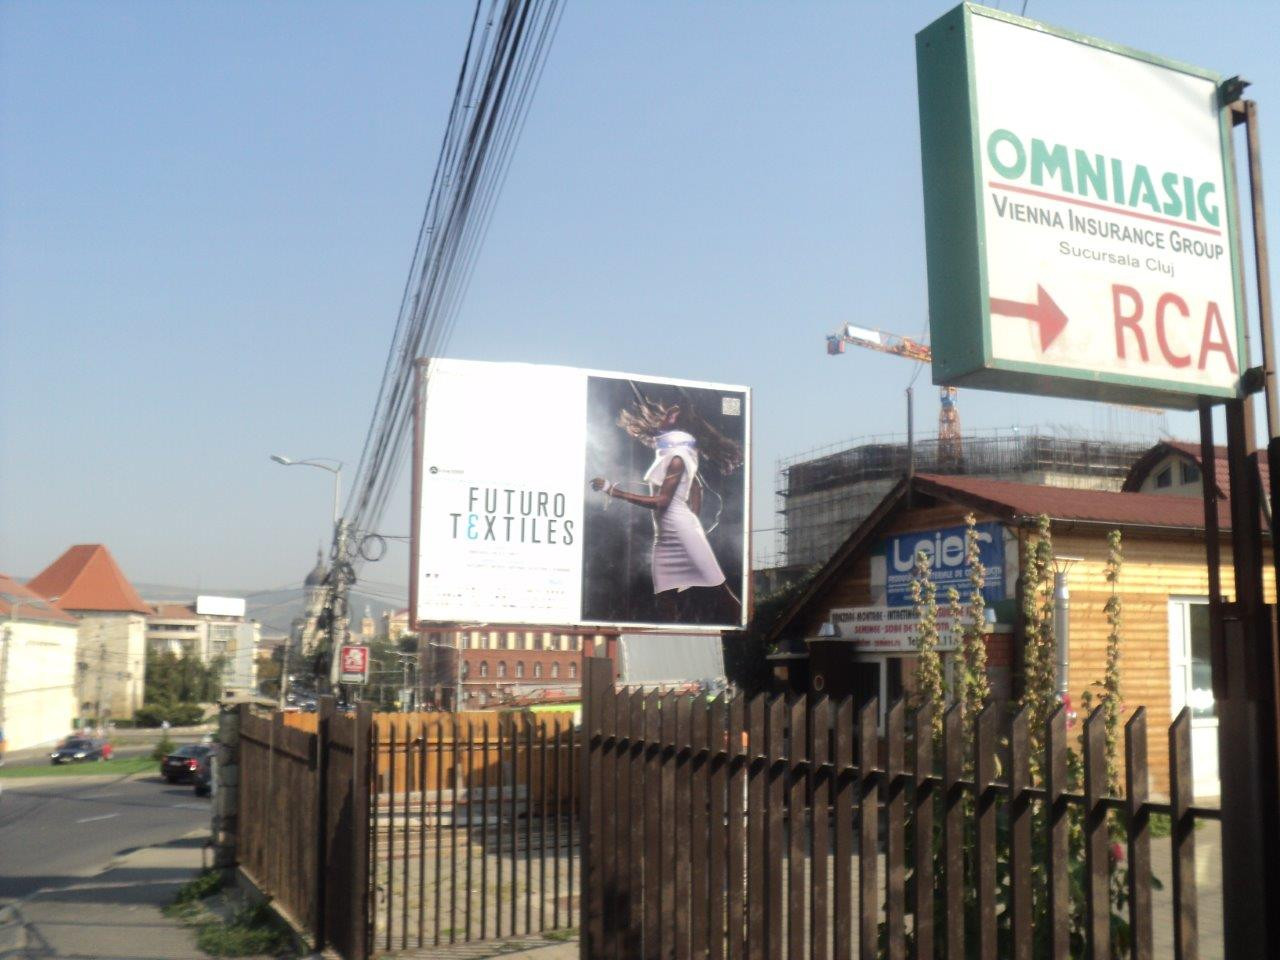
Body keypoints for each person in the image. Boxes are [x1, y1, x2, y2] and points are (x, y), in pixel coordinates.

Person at [591, 395, 742, 623]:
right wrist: (693, 519)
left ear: (678, 424)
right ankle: (671, 637)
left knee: (720, 592)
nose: (664, 415)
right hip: (665, 536)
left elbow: (662, 501)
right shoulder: (673, 454)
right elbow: (696, 487)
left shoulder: (678, 458)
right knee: (664, 598)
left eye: (670, 414)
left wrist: (613, 491)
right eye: (666, 412)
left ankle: (747, 628)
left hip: (682, 532)